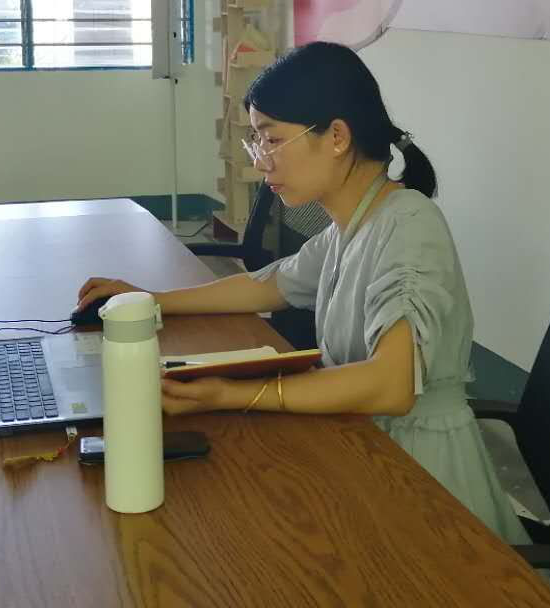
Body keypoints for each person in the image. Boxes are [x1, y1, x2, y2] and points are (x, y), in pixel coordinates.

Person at [77, 41, 523, 543]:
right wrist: (152, 300)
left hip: (421, 476)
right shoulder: (353, 224)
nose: (261, 163)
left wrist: (233, 395)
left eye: (271, 140)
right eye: (256, 142)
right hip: (362, 440)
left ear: (337, 137)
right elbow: (267, 286)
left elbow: (392, 385)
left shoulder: (409, 225)